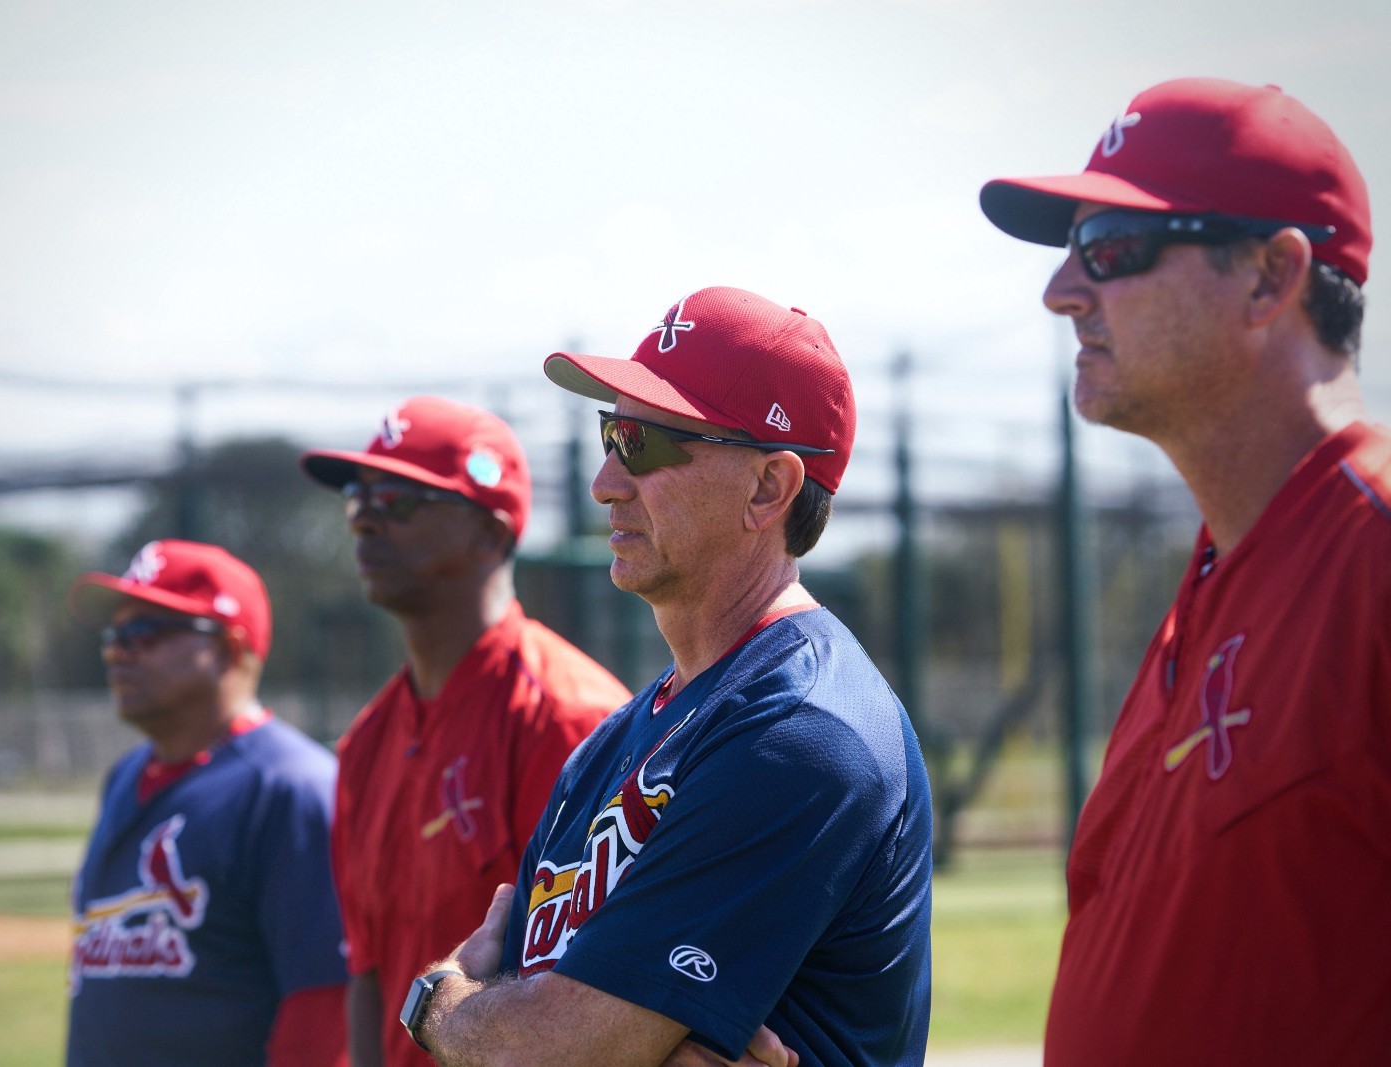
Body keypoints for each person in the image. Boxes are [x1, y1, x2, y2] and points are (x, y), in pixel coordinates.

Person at [398, 287, 934, 1067]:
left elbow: (551, 1049)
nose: (606, 482)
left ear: (768, 488)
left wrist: (441, 1005)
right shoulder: (615, 739)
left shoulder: (803, 728)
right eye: (610, 433)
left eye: (645, 444)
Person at [981, 77, 1389, 1065]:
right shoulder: (1214, 573)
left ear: (1267, 276)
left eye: (1111, 248)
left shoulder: (1374, 547)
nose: (1060, 290)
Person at [300, 396, 631, 1067]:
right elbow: (368, 975)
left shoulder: (568, 718)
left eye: (397, 496)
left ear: (490, 526)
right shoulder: (365, 744)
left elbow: (610, 993)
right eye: (357, 496)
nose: (364, 515)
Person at [65, 539, 348, 1067]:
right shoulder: (125, 776)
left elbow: (323, 1009)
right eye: (114, 635)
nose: (119, 651)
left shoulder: (291, 789)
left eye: (144, 632)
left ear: (226, 650)